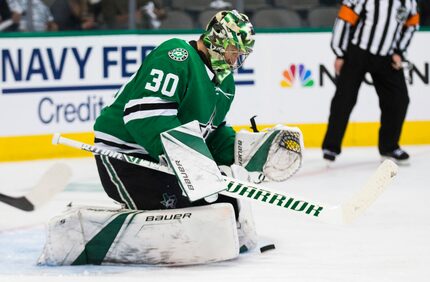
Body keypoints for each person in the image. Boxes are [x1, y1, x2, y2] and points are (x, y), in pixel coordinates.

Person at [93, 9, 254, 218]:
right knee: (194, 211)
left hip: (167, 161)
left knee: (226, 204)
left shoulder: (225, 83)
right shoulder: (177, 55)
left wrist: (244, 151)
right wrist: (191, 160)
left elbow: (211, 135)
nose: (235, 60)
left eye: (241, 54)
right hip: (127, 156)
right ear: (217, 41)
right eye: (234, 50)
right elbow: (145, 117)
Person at [322, 0, 420, 165]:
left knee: (399, 100)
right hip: (358, 53)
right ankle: (331, 146)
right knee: (344, 99)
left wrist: (399, 52)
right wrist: (340, 53)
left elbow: (412, 24)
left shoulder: (408, 2)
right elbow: (344, 20)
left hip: (387, 56)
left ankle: (389, 147)